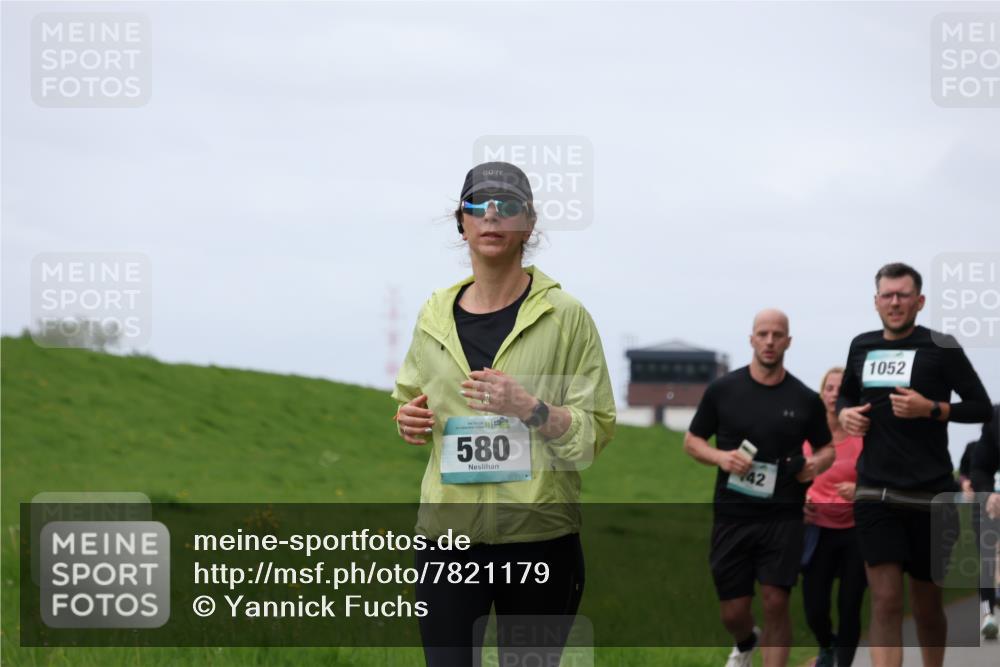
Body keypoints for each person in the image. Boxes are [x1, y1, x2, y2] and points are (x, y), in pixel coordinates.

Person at [392, 161, 616, 667]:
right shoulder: (432, 315)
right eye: (478, 205)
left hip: (540, 539)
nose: (492, 216)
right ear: (461, 222)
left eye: (508, 206)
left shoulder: (566, 317)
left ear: (529, 224)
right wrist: (406, 420)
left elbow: (593, 433)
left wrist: (530, 409)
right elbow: (411, 399)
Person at [836, 262, 993, 667]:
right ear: (876, 302)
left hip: (930, 494)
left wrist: (933, 409)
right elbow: (845, 398)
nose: (895, 302)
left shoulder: (941, 346)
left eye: (903, 295)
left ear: (919, 301)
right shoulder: (861, 346)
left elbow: (980, 407)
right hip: (875, 491)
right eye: (887, 295)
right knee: (886, 601)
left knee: (926, 607)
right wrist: (844, 415)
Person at [684, 309, 835, 667]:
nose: (770, 341)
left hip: (783, 515)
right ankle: (746, 639)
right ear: (751, 339)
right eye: (763, 334)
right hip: (733, 515)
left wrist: (814, 465)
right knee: (733, 612)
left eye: (777, 335)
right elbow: (692, 441)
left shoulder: (804, 399)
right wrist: (721, 458)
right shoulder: (723, 390)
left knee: (776, 600)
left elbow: (828, 448)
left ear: (788, 341)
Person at [801, 367, 866, 666]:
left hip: (856, 531)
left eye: (840, 389)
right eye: (829, 388)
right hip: (817, 529)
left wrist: (860, 488)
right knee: (814, 607)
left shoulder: (862, 436)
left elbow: (880, 475)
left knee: (850, 605)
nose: (833, 395)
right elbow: (790, 476)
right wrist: (799, 498)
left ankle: (843, 663)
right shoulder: (806, 435)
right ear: (821, 392)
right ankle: (826, 644)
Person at [970, 403, 1000, 640]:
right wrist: (988, 493)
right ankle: (988, 613)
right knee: (987, 559)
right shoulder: (995, 417)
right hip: (992, 506)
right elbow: (979, 468)